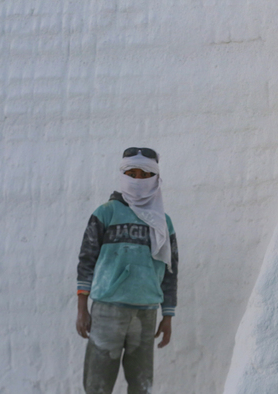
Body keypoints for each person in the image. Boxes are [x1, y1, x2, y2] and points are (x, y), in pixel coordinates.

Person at [75, 147, 178, 394]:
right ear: (123, 176)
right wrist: (82, 308)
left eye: (145, 174)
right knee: (97, 385)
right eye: (131, 173)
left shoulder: (163, 222)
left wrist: (168, 315)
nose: (138, 180)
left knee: (141, 385)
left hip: (145, 313)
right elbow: (86, 260)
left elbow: (171, 270)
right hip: (107, 310)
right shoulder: (105, 213)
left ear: (155, 177)